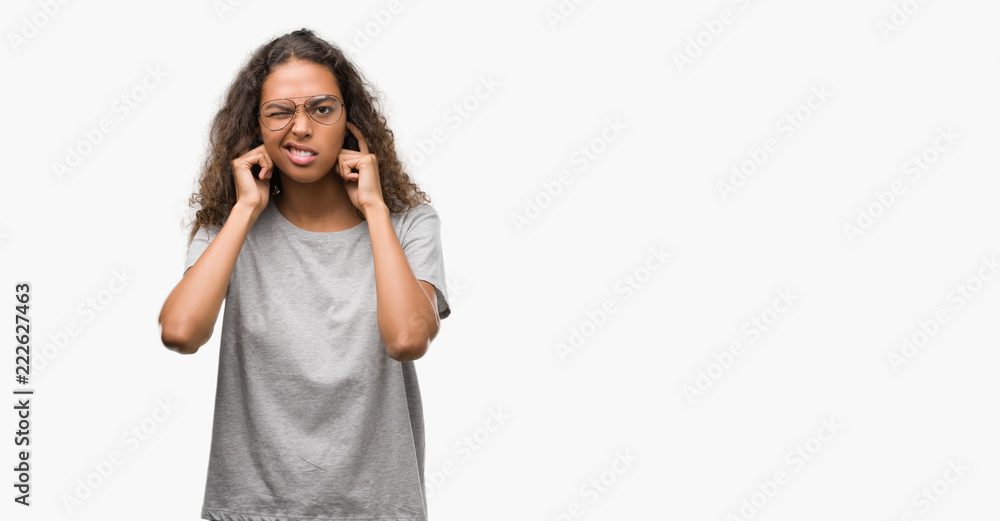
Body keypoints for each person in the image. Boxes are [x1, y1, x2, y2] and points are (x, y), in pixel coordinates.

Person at [157, 28, 451, 521]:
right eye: (279, 111)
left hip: (378, 510)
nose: (300, 127)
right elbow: (181, 333)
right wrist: (246, 209)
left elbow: (407, 339)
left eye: (321, 108)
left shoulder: (408, 224)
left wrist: (375, 208)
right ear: (255, 127)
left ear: (350, 123)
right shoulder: (227, 227)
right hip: (250, 509)